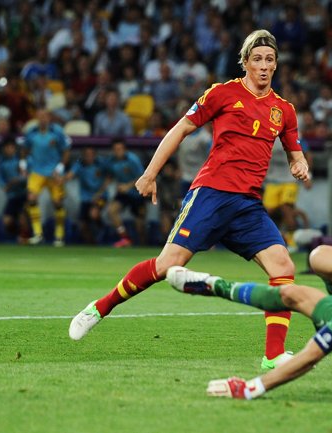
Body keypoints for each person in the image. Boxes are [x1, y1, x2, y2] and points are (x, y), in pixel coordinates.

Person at [69, 30, 310, 371]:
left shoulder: (284, 110)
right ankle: (99, 308)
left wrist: (300, 164)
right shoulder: (222, 93)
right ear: (245, 63)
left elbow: (295, 153)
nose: (263, 65)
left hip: (247, 206)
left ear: (276, 65)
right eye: (257, 59)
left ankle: (273, 356)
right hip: (211, 194)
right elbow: (180, 129)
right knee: (166, 265)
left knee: (283, 267)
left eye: (269, 59)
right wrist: (150, 173)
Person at [165, 150, 332, 400]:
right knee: (319, 257)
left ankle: (213, 285)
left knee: (291, 294)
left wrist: (250, 388)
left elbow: (309, 357)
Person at [20, 109, 72, 246]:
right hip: (37, 171)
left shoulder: (57, 132)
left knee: (57, 202)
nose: (43, 119)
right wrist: (23, 164)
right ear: (37, 118)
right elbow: (24, 149)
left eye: (45, 116)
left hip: (53, 172)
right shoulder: (31, 132)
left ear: (49, 118)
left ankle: (59, 236)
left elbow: (66, 151)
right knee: (31, 198)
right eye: (40, 116)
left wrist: (59, 168)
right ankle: (38, 234)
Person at [105, 138, 147, 247]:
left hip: (137, 193)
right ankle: (125, 238)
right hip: (123, 193)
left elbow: (142, 176)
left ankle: (143, 246)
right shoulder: (111, 161)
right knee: (111, 211)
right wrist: (102, 190)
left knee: (140, 225)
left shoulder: (133, 160)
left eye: (120, 149)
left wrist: (127, 186)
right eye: (115, 149)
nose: (117, 151)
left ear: (124, 149)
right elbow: (110, 175)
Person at [65, 147, 109, 244]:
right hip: (86, 198)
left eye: (91, 154)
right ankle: (92, 243)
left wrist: (100, 192)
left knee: (94, 214)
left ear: (95, 155)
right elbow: (70, 175)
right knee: (82, 225)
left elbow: (109, 176)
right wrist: (61, 179)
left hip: (100, 196)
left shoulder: (101, 163)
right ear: (83, 155)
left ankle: (104, 229)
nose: (89, 157)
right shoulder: (79, 165)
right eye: (86, 154)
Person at [0, 137, 29, 243]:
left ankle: (25, 238)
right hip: (12, 195)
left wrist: (18, 180)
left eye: (11, 147)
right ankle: (18, 236)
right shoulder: (1, 160)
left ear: (14, 148)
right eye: (7, 147)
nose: (9, 149)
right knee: (7, 222)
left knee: (23, 218)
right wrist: (5, 185)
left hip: (23, 193)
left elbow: (26, 176)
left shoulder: (20, 159)